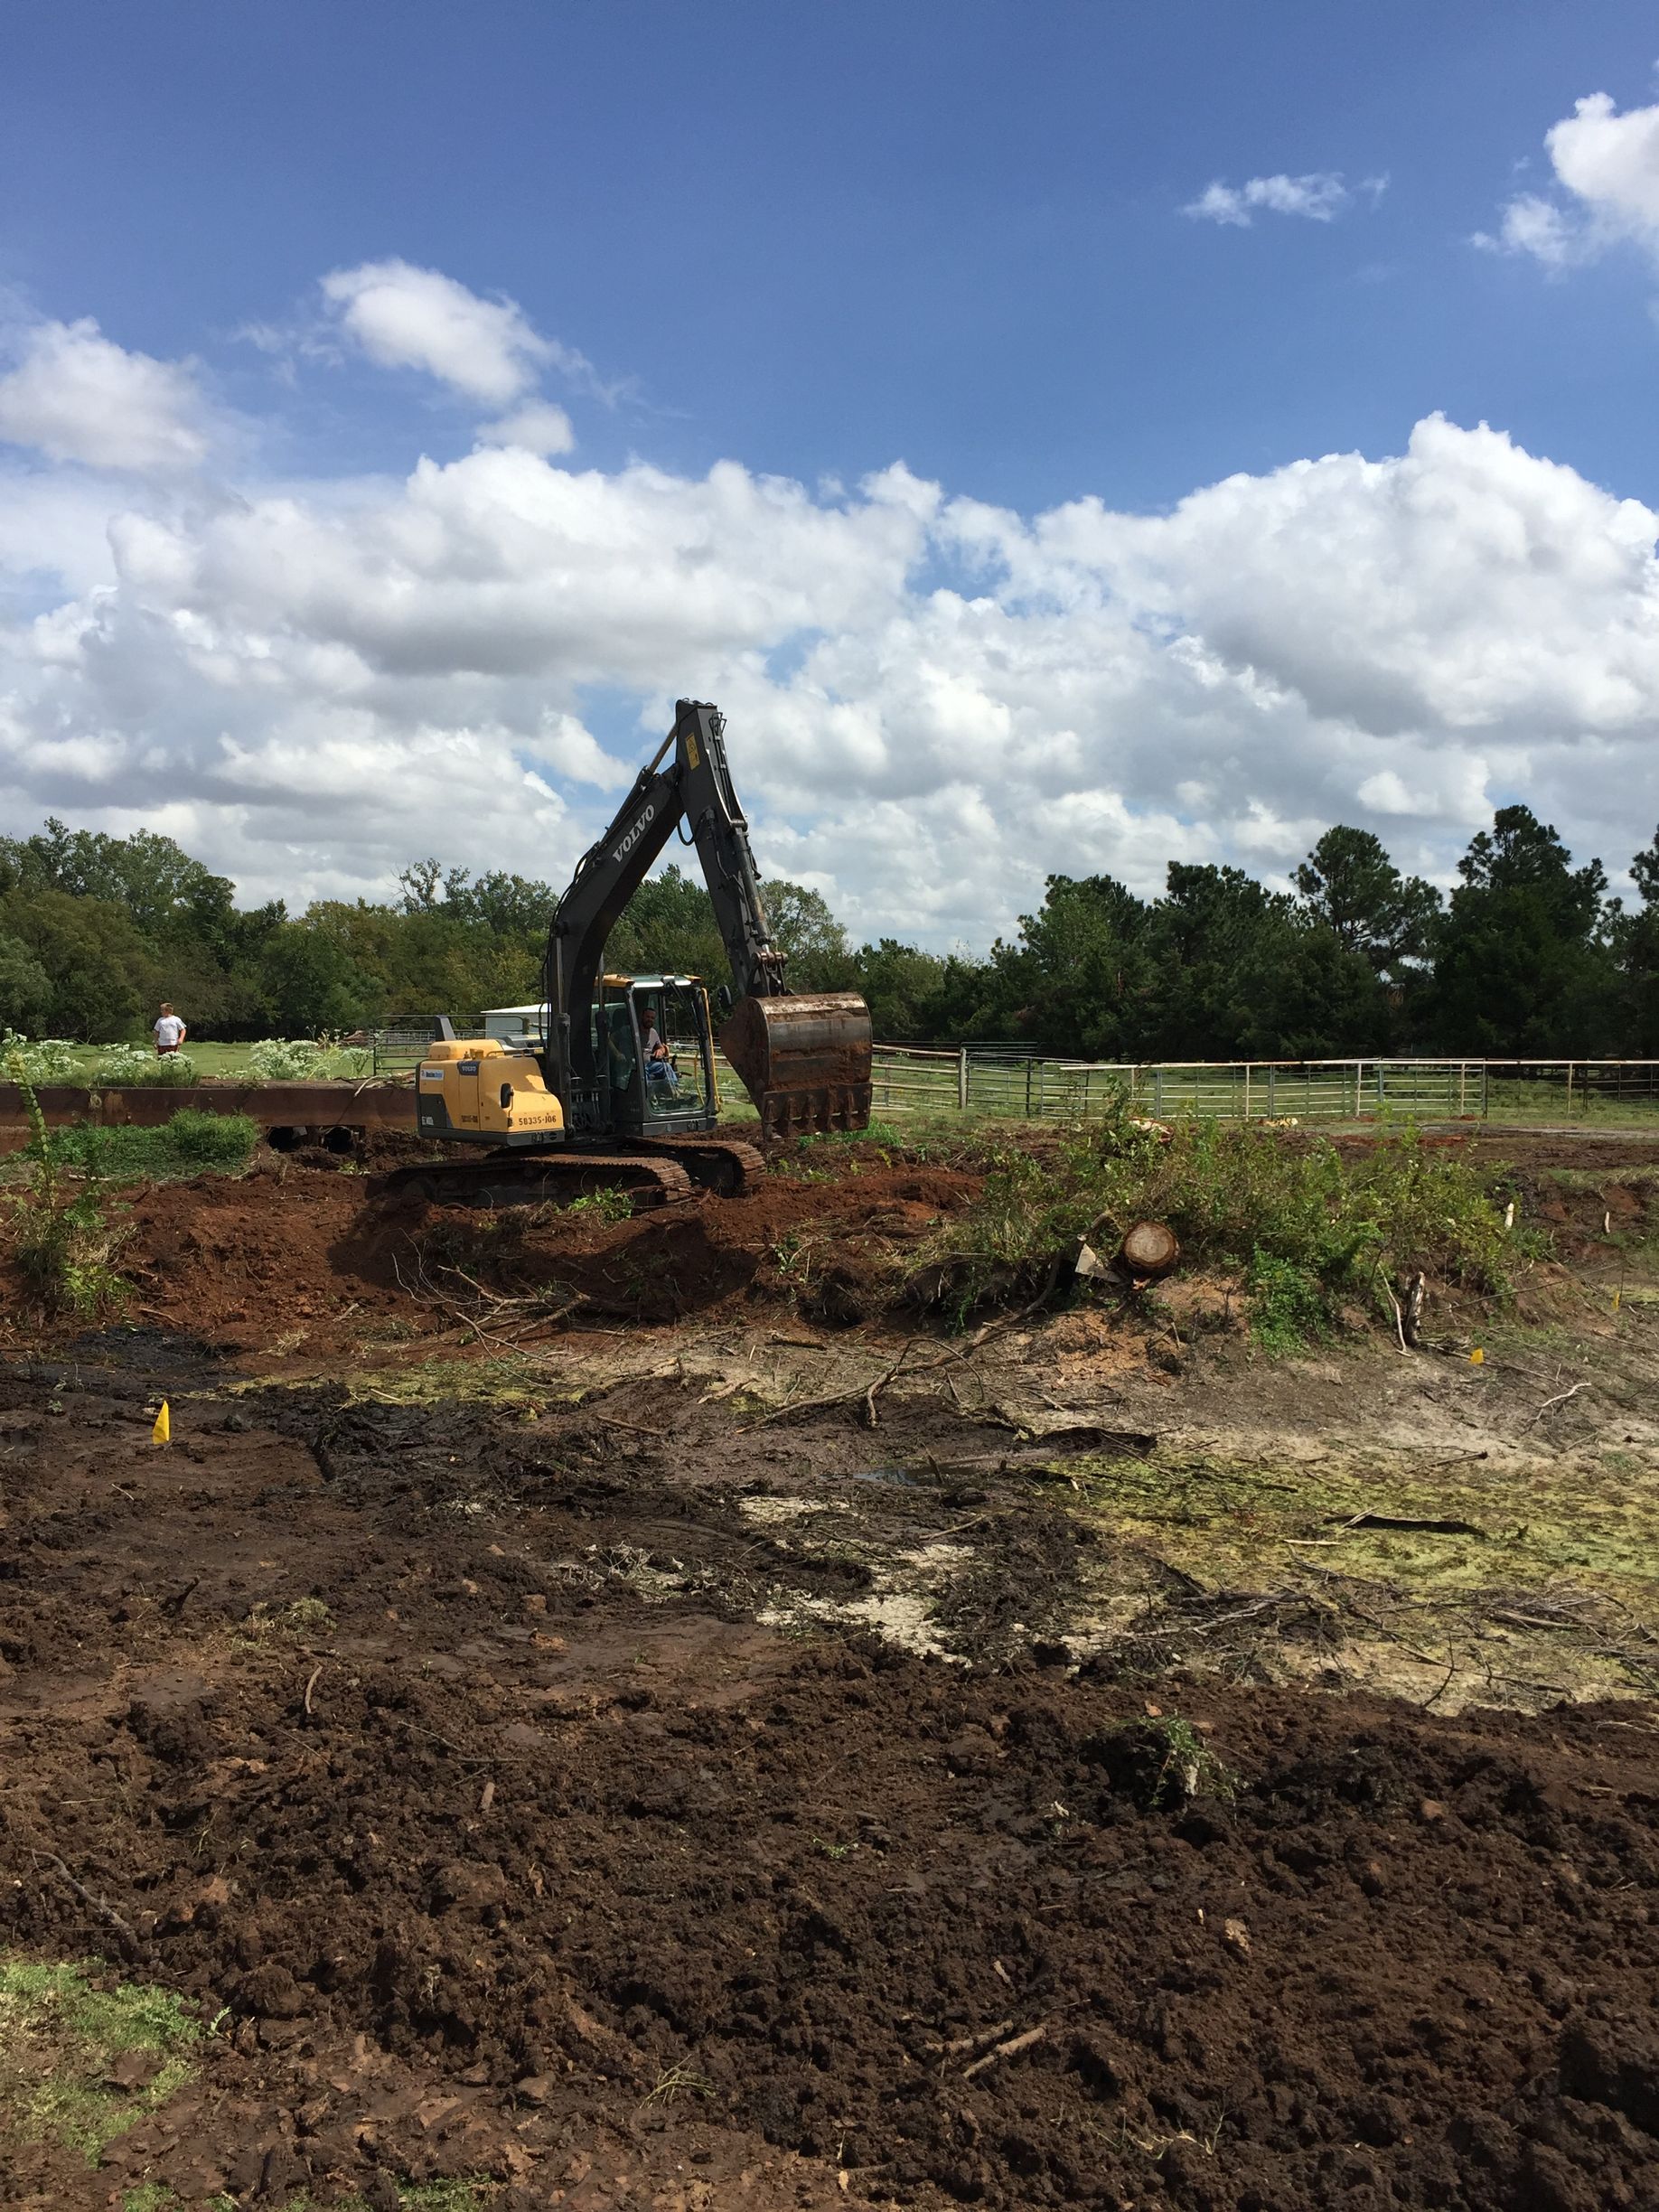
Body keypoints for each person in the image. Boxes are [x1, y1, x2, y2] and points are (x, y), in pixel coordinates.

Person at [640, 1006, 679, 1092]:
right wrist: (617, 1054)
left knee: (666, 1066)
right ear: (642, 1017)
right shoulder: (631, 1031)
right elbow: (610, 1039)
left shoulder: (653, 1032)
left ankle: (674, 1090)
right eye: (648, 1017)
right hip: (636, 1065)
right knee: (641, 1073)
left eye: (652, 1018)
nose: (650, 1019)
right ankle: (647, 1096)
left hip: (650, 1065)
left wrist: (660, 1051)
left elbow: (662, 1048)